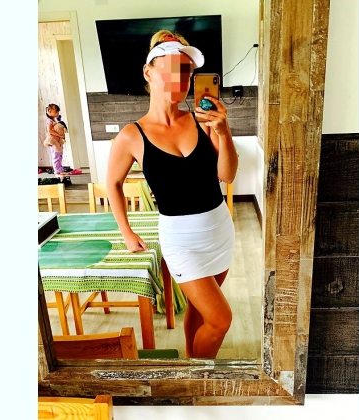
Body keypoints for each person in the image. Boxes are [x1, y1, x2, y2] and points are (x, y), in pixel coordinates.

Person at [106, 30, 238, 359]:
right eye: (171, 68)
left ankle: (192, 365)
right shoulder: (131, 136)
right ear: (148, 72)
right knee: (220, 320)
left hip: (219, 231)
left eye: (187, 72)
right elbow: (113, 184)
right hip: (180, 240)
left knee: (199, 310)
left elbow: (227, 175)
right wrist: (126, 232)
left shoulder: (203, 120)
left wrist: (223, 131)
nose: (181, 78)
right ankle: (200, 375)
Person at [43, 103, 68, 176]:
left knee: (59, 155)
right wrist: (59, 135)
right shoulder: (49, 120)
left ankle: (60, 170)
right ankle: (57, 171)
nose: (58, 113)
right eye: (56, 112)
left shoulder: (54, 120)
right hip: (53, 141)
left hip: (58, 140)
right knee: (56, 155)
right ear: (50, 111)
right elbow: (50, 130)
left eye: (58, 112)